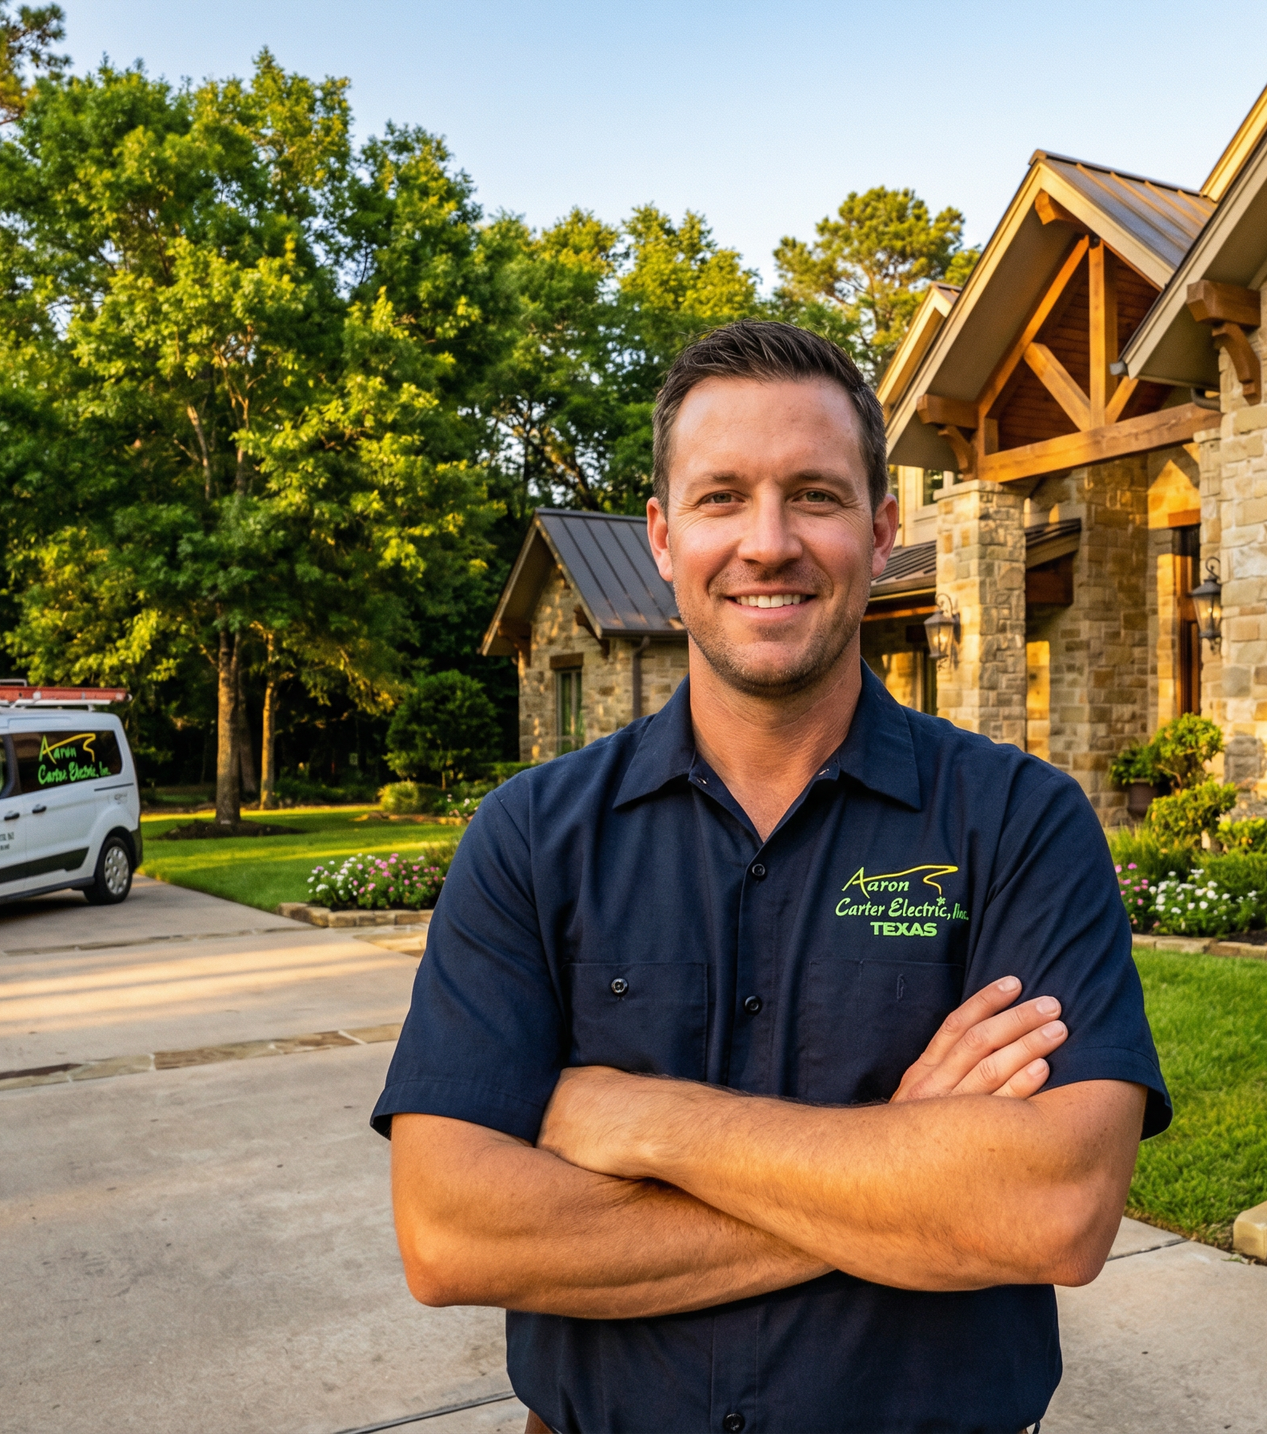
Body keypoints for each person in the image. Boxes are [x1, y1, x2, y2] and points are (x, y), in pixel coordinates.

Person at [373, 320, 1170, 1434]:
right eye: (720, 497)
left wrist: (649, 1125)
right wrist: (903, 1170)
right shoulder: (531, 838)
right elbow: (452, 1233)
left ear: (883, 530)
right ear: (660, 535)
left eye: (815, 494)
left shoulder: (1018, 824)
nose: (768, 541)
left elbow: (1054, 1208)